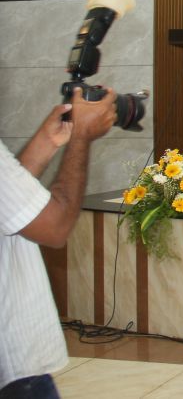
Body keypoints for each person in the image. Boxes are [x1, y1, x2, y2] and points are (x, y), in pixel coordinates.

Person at [1, 88, 117, 398]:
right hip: (14, 366)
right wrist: (81, 137)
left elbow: (10, 204)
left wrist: (47, 142)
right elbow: (55, 227)